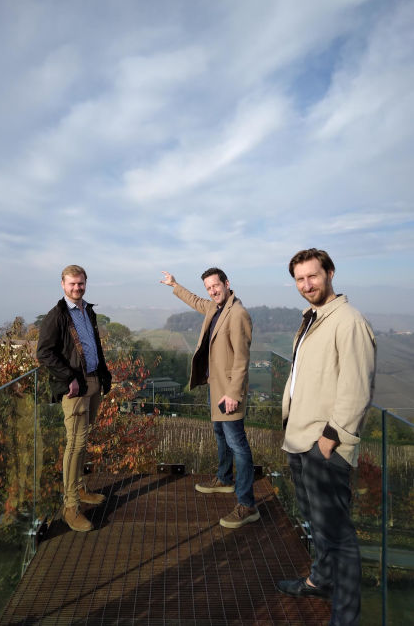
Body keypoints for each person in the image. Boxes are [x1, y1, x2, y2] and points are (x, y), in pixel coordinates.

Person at [276, 249, 376, 626]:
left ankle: (345, 619)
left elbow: (357, 386)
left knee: (339, 536)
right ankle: (320, 579)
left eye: (313, 276)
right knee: (317, 523)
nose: (306, 285)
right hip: (299, 441)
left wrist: (330, 440)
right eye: (300, 279)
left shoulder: (348, 321)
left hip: (324, 445)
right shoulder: (312, 318)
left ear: (330, 273)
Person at [160, 268, 259, 528]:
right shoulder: (216, 307)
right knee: (220, 433)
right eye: (209, 288)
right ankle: (224, 479)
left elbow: (242, 358)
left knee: (238, 444)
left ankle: (247, 504)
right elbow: (195, 301)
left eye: (216, 286)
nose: (213, 291)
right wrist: (175, 284)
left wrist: (234, 394)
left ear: (227, 283)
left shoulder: (237, 314)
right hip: (215, 387)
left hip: (228, 392)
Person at [37, 265, 112, 532]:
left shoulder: (86, 310)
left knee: (85, 439)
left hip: (92, 381)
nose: (77, 288)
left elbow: (93, 346)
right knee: (75, 444)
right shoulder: (56, 315)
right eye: (72, 284)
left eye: (80, 284)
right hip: (75, 388)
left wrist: (104, 374)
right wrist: (69, 377)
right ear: (62, 284)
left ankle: (79, 488)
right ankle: (70, 507)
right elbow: (44, 353)